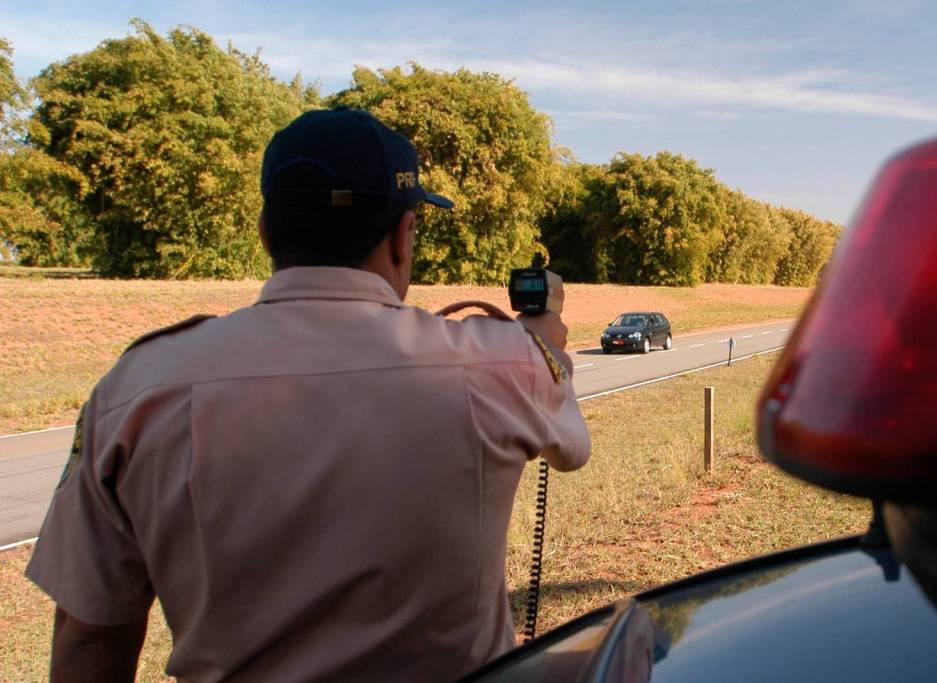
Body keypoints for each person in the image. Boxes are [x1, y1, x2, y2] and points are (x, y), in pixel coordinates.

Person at [26, 107, 591, 682]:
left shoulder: (137, 389)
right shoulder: (502, 362)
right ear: (402, 236)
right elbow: (571, 447)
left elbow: (90, 636)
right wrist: (541, 335)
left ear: (268, 232)